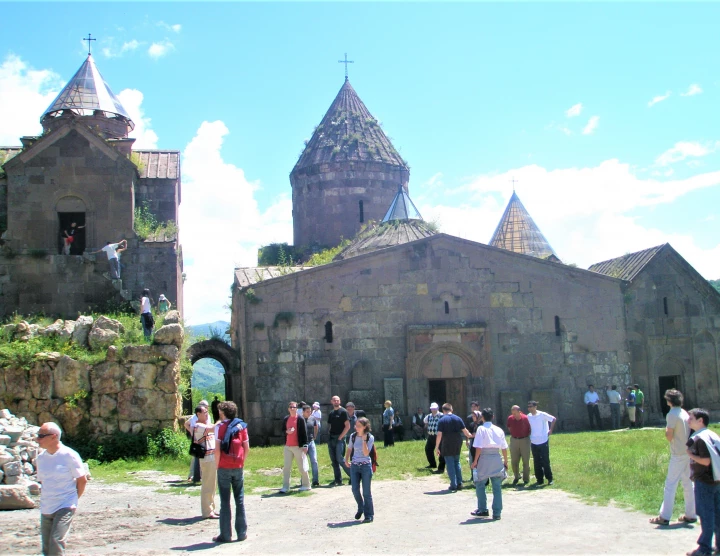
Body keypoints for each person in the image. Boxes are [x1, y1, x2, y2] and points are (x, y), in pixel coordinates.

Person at [35, 422, 88, 556]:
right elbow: (44, 482)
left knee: (56, 543)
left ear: (53, 437)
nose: (37, 439)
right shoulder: (41, 458)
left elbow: (82, 480)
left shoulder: (69, 455)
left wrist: (72, 500)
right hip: (47, 506)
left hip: (65, 505)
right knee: (46, 548)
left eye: (41, 436)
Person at [649, 389, 696, 526]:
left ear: (669, 401)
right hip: (687, 451)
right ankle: (691, 514)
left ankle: (665, 516)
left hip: (677, 453)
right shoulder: (684, 412)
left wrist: (668, 436)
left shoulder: (672, 414)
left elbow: (669, 434)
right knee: (688, 483)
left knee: (670, 484)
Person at [686, 408, 720, 556]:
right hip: (717, 479)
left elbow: (705, 461)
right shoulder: (713, 434)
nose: (688, 421)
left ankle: (704, 548)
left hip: (705, 481)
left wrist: (689, 454)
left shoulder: (699, 438)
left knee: (706, 514)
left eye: (691, 418)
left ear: (700, 420)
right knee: (718, 514)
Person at [213, 401, 249, 543]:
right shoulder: (241, 426)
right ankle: (242, 533)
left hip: (223, 467)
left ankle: (226, 535)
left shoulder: (219, 427)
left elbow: (217, 450)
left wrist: (218, 465)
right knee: (239, 500)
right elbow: (246, 448)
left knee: (224, 501)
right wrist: (241, 462)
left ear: (223, 413)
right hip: (238, 466)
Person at [470, 408, 508, 520]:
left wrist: (475, 461)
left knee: (480, 483)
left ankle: (482, 509)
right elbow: (504, 447)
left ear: (482, 417)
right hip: (496, 457)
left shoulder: (481, 429)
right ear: (493, 417)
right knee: (497, 486)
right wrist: (505, 461)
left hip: (485, 457)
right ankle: (497, 512)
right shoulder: (499, 430)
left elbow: (478, 447)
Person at [345, 416, 375, 523]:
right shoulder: (352, 436)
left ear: (365, 427)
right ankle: (360, 507)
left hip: (366, 466)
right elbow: (349, 448)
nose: (356, 428)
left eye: (358, 426)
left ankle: (369, 515)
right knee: (354, 489)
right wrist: (346, 459)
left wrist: (363, 441)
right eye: (355, 425)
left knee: (366, 492)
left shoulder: (370, 437)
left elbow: (366, 453)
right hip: (354, 466)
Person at [436, 403, 472, 492]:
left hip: (447, 442)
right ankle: (459, 482)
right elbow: (465, 431)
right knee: (457, 461)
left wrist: (437, 447)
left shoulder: (442, 420)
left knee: (449, 463)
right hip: (457, 441)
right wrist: (471, 436)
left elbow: (439, 434)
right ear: (451, 409)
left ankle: (453, 484)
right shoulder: (458, 418)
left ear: (443, 410)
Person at [191, 404, 218, 519]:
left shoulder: (205, 425)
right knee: (207, 484)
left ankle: (211, 508)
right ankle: (207, 511)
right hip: (207, 459)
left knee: (212, 485)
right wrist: (222, 418)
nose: (207, 414)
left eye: (207, 412)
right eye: (205, 412)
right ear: (198, 414)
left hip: (212, 458)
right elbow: (214, 428)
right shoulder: (197, 426)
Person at [280, 401, 311, 493]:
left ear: (297, 409)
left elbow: (304, 433)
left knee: (302, 467)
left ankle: (306, 485)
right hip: (288, 446)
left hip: (298, 446)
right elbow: (283, 430)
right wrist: (287, 431)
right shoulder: (286, 419)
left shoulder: (300, 419)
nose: (292, 409)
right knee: (286, 467)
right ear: (288, 409)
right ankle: (285, 487)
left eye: (294, 407)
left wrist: (305, 445)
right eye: (291, 407)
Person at [527, 401, 557, 486]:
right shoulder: (528, 416)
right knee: (536, 461)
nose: (529, 408)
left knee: (545, 460)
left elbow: (553, 419)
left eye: (531, 406)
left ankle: (549, 478)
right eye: (528, 407)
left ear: (535, 407)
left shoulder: (542, 414)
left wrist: (550, 430)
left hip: (543, 440)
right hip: (533, 441)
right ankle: (539, 479)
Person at [327, 395, 351, 486]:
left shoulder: (343, 412)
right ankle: (338, 480)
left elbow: (347, 426)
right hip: (331, 438)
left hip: (340, 438)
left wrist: (341, 437)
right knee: (334, 461)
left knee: (340, 458)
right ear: (331, 402)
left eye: (337, 400)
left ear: (340, 401)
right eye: (334, 400)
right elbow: (329, 426)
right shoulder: (331, 413)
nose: (336, 402)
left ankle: (353, 476)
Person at [185, 399, 210, 482]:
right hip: (198, 439)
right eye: (206, 407)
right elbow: (186, 424)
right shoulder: (195, 417)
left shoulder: (208, 415)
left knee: (203, 457)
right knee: (196, 458)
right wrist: (193, 434)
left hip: (205, 439)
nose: (207, 408)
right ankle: (193, 476)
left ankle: (201, 476)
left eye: (207, 407)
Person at [506, 405, 531, 485]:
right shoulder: (510, 418)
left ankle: (526, 478)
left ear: (520, 412)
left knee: (526, 460)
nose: (514, 415)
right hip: (514, 440)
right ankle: (516, 476)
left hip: (524, 439)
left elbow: (529, 429)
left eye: (515, 413)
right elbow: (509, 428)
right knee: (514, 460)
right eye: (513, 413)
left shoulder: (526, 418)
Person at [302, 404, 320, 487]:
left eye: (310, 411)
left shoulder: (312, 418)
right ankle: (304, 480)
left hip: (311, 442)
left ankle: (315, 480)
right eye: (307, 412)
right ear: (303, 412)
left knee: (314, 461)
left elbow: (316, 427)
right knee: (303, 462)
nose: (309, 413)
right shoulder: (300, 419)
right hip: (302, 443)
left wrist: (315, 436)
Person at [424, 403, 445, 472]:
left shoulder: (441, 415)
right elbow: (425, 422)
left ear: (437, 408)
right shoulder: (429, 416)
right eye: (432, 409)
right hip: (431, 436)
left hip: (438, 436)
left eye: (435, 409)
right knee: (428, 449)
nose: (433, 410)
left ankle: (441, 467)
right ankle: (432, 464)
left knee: (441, 451)